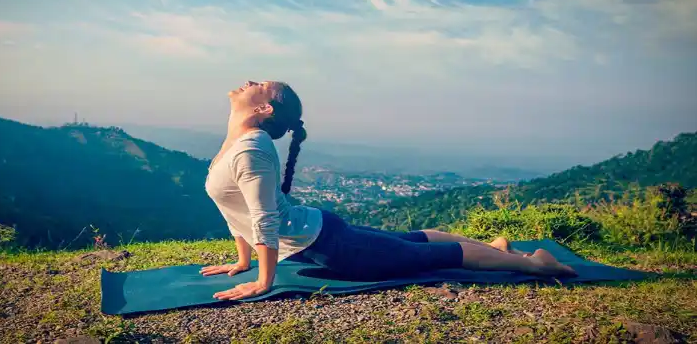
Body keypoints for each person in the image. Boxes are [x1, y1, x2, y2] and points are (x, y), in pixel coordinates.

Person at [201, 80, 577, 301]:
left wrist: (262, 282)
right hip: (321, 234)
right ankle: (494, 248)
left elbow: (265, 216)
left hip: (330, 247)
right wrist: (243, 261)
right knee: (411, 239)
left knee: (431, 255)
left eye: (260, 85)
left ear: (264, 107)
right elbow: (240, 212)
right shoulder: (237, 145)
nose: (248, 82)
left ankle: (535, 264)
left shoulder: (252, 148)